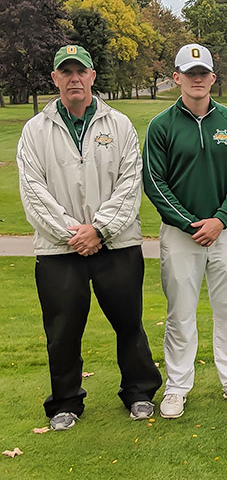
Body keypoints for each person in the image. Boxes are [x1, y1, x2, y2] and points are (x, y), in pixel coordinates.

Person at [17, 45, 162, 430]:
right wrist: (74, 233)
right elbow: (33, 190)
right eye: (65, 72)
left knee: (128, 322)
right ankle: (65, 402)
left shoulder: (120, 125)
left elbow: (131, 185)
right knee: (62, 330)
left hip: (116, 244)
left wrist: (98, 229)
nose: (73, 78)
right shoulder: (35, 129)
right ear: (55, 80)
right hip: (58, 249)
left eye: (80, 71)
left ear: (93, 76)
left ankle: (140, 393)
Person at [142, 43, 227, 418]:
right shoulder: (162, 126)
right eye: (189, 73)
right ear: (177, 77)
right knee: (181, 313)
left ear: (212, 77)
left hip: (225, 230)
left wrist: (219, 220)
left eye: (203, 73)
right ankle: (177, 386)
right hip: (181, 234)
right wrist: (190, 222)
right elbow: (155, 183)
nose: (197, 79)